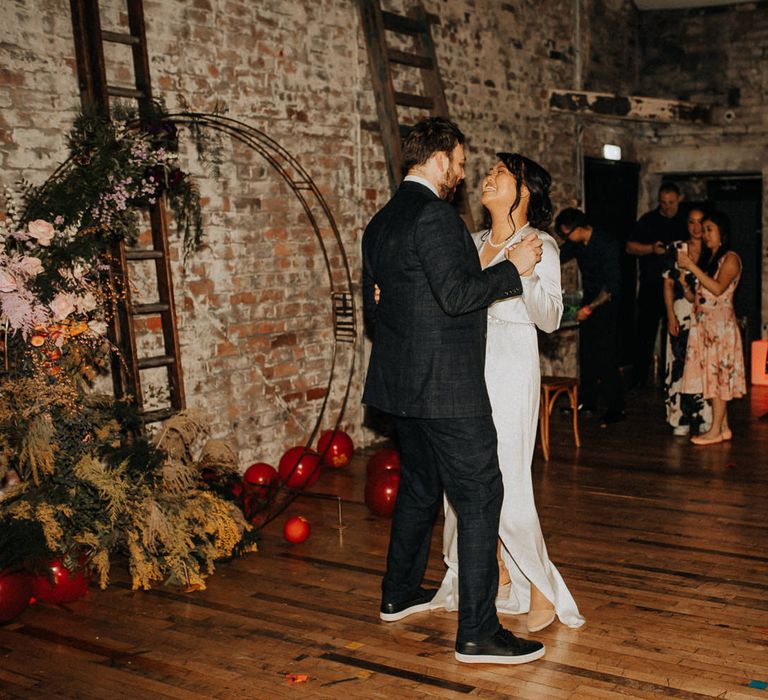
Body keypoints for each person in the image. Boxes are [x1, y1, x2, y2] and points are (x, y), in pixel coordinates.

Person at [362, 117, 545, 664]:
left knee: (420, 485)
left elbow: (379, 302)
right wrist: (513, 267)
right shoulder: (435, 219)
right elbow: (459, 296)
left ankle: (397, 594)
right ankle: (478, 633)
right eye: (461, 164)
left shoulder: (381, 222)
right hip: (445, 387)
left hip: (399, 386)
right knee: (481, 493)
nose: (462, 175)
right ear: (440, 160)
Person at [429, 154, 585, 634]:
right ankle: (487, 571)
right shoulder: (472, 242)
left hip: (511, 368)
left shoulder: (541, 244)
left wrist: (528, 271)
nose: (488, 178)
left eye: (500, 173)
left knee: (509, 482)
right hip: (466, 370)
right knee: (463, 480)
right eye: (489, 172)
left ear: (525, 192)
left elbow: (550, 319)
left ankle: (540, 589)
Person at [678, 211, 746, 445]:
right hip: (706, 328)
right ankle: (723, 427)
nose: (704, 234)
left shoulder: (731, 258)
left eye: (709, 229)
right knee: (711, 377)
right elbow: (700, 296)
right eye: (704, 229)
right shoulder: (713, 259)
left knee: (718, 379)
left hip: (720, 328)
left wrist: (691, 266)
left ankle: (715, 429)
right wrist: (685, 286)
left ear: (722, 233)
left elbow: (718, 289)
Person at [556, 208, 625, 426]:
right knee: (587, 355)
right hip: (590, 300)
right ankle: (587, 402)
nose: (567, 239)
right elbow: (558, 255)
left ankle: (616, 407)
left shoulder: (607, 243)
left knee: (606, 357)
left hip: (607, 303)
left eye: (568, 234)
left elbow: (611, 287)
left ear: (580, 228)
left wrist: (589, 309)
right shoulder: (576, 243)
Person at [627, 183, 688, 387]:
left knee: (675, 333)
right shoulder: (648, 220)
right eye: (663, 203)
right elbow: (630, 247)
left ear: (679, 199)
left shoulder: (686, 221)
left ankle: (671, 378)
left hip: (678, 286)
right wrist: (651, 249)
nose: (667, 207)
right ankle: (638, 380)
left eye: (671, 202)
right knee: (644, 333)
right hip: (651, 284)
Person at [662, 205, 713, 436]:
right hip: (681, 311)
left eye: (700, 222)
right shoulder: (676, 248)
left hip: (705, 312)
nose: (696, 227)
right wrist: (671, 315)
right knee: (679, 365)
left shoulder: (713, 250)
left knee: (704, 365)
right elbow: (668, 283)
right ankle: (678, 417)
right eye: (691, 222)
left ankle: (705, 416)